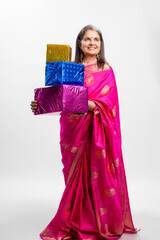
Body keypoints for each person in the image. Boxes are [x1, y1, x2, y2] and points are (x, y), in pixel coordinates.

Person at [31, 25, 138, 240]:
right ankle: (78, 219)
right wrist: (40, 103)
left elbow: (109, 105)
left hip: (97, 130)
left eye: (96, 39)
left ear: (100, 44)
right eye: (87, 39)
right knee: (74, 176)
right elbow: (60, 96)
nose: (92, 43)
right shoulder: (70, 68)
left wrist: (84, 102)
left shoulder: (105, 69)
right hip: (73, 129)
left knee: (97, 173)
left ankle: (98, 221)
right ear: (79, 43)